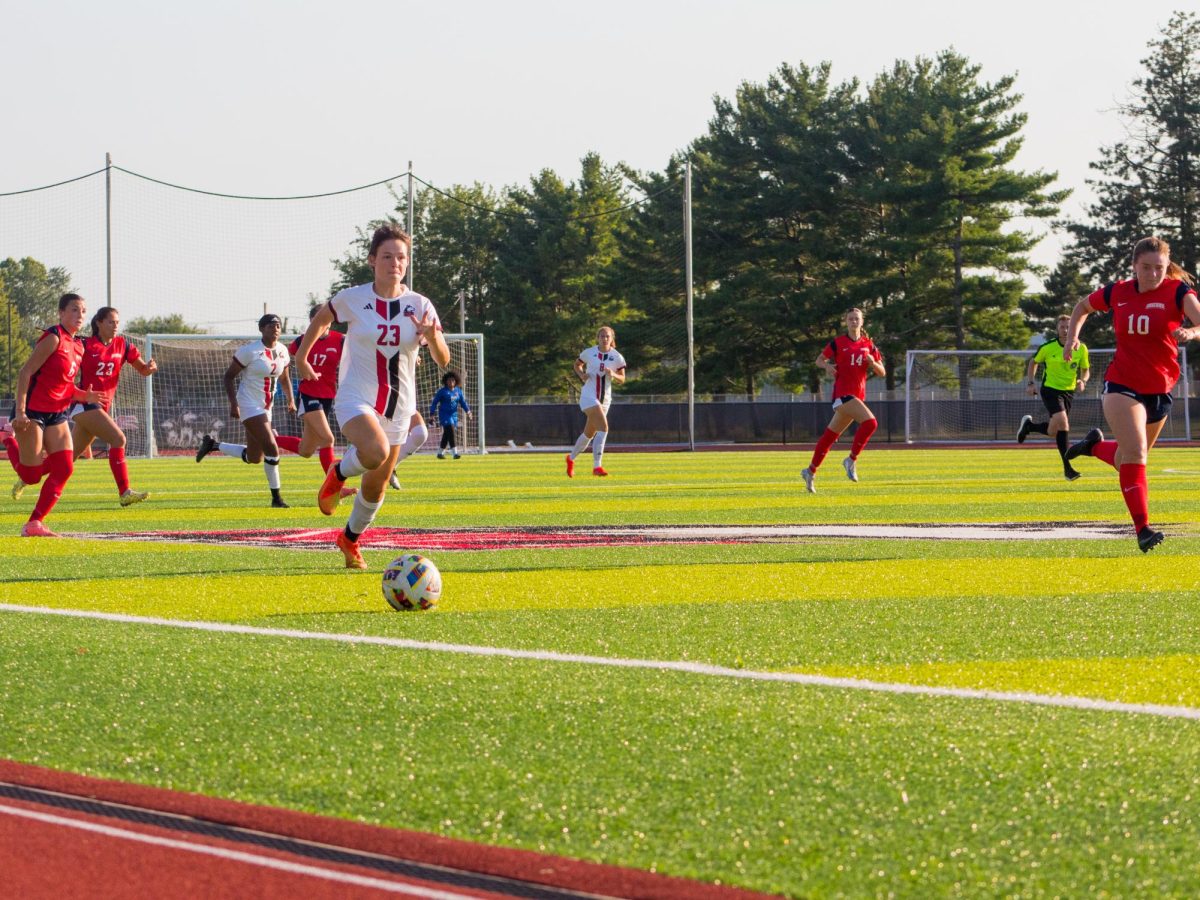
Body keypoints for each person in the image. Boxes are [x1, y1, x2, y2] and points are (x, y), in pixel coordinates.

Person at [296, 223, 449, 569]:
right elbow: (323, 317)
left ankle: (349, 540)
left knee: (376, 488)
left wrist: (432, 336)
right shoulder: (354, 297)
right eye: (387, 256)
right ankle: (337, 473)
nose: (394, 263)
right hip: (354, 397)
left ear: (407, 264)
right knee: (375, 451)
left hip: (399, 405)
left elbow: (443, 360)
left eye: (401, 257)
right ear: (371, 260)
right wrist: (302, 355)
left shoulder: (420, 305)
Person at [1062, 235, 1200, 552]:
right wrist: (1072, 338)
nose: (1153, 274)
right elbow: (1082, 307)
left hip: (1160, 388)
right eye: (1146, 268)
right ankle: (1143, 529)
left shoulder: (1178, 291)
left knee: (1128, 458)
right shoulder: (1118, 292)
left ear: (1167, 268)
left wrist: (1191, 331)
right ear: (1134, 266)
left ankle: (1094, 447)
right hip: (1122, 384)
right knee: (1136, 454)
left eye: (1160, 268)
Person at [2, 293, 100, 536]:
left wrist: (83, 395)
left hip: (57, 413)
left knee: (65, 468)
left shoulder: (78, 345)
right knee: (32, 476)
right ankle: (6, 438)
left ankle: (34, 523)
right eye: (75, 310)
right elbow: (25, 373)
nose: (80, 315)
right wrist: (21, 412)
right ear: (61, 313)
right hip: (32, 411)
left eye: (83, 311)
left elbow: (64, 385)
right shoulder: (53, 338)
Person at [194, 313, 295, 508]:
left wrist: (291, 399)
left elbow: (284, 378)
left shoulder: (283, 351)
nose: (275, 328)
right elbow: (228, 377)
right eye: (271, 325)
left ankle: (213, 445)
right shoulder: (250, 351)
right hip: (248, 404)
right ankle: (277, 499)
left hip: (267, 407)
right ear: (261, 329)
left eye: (278, 325)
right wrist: (234, 404)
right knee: (272, 449)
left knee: (254, 457)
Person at [275, 306, 357, 501]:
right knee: (328, 439)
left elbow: (362, 354)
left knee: (306, 449)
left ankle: (269, 439)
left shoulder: (341, 340)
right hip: (308, 394)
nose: (320, 325)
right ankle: (336, 488)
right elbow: (285, 362)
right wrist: (289, 394)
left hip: (328, 395)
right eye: (315, 321)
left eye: (324, 321)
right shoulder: (301, 341)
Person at [801, 307, 886, 493]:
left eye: (857, 319)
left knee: (829, 437)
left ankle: (810, 471)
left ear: (862, 322)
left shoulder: (868, 344)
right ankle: (851, 459)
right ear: (845, 322)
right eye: (850, 319)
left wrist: (872, 363)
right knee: (871, 423)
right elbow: (819, 360)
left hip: (856, 396)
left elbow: (882, 372)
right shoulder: (838, 343)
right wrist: (827, 366)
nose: (854, 322)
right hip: (843, 395)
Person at [1017, 314, 1090, 481]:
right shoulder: (1048, 347)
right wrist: (1030, 383)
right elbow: (1033, 362)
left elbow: (1085, 369)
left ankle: (1029, 426)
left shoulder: (1082, 349)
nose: (1065, 330)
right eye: (1062, 327)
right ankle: (1068, 468)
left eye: (1068, 327)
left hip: (1068, 392)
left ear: (1074, 329)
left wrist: (1083, 380)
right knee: (1063, 422)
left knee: (1053, 431)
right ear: (1057, 329)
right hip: (1050, 390)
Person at [566, 326, 626, 477]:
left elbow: (622, 379)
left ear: (612, 339)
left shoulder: (617, 357)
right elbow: (577, 364)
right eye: (602, 336)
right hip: (588, 396)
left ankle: (571, 458)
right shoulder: (589, 352)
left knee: (588, 434)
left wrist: (613, 374)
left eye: (607, 336)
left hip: (605, 399)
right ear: (597, 338)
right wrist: (581, 375)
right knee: (604, 428)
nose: (604, 339)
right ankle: (597, 466)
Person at [430, 370, 472, 459]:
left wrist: (468, 411)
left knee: (446, 434)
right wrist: (432, 414)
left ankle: (440, 453)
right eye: (449, 380)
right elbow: (434, 403)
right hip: (444, 415)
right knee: (451, 431)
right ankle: (455, 453)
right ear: (446, 381)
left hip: (454, 415)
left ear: (456, 381)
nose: (451, 382)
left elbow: (463, 402)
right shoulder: (442, 391)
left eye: (453, 380)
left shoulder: (458, 391)